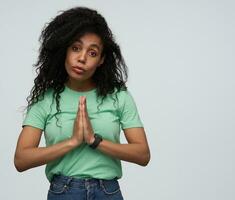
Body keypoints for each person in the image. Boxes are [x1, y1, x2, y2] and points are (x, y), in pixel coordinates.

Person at [14, 6, 150, 200]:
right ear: (64, 50)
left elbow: (142, 154)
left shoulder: (119, 96)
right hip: (64, 191)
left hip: (108, 191)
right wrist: (73, 142)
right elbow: (21, 159)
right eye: (76, 48)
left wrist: (95, 141)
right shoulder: (46, 99)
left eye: (92, 53)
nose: (82, 58)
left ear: (101, 60)